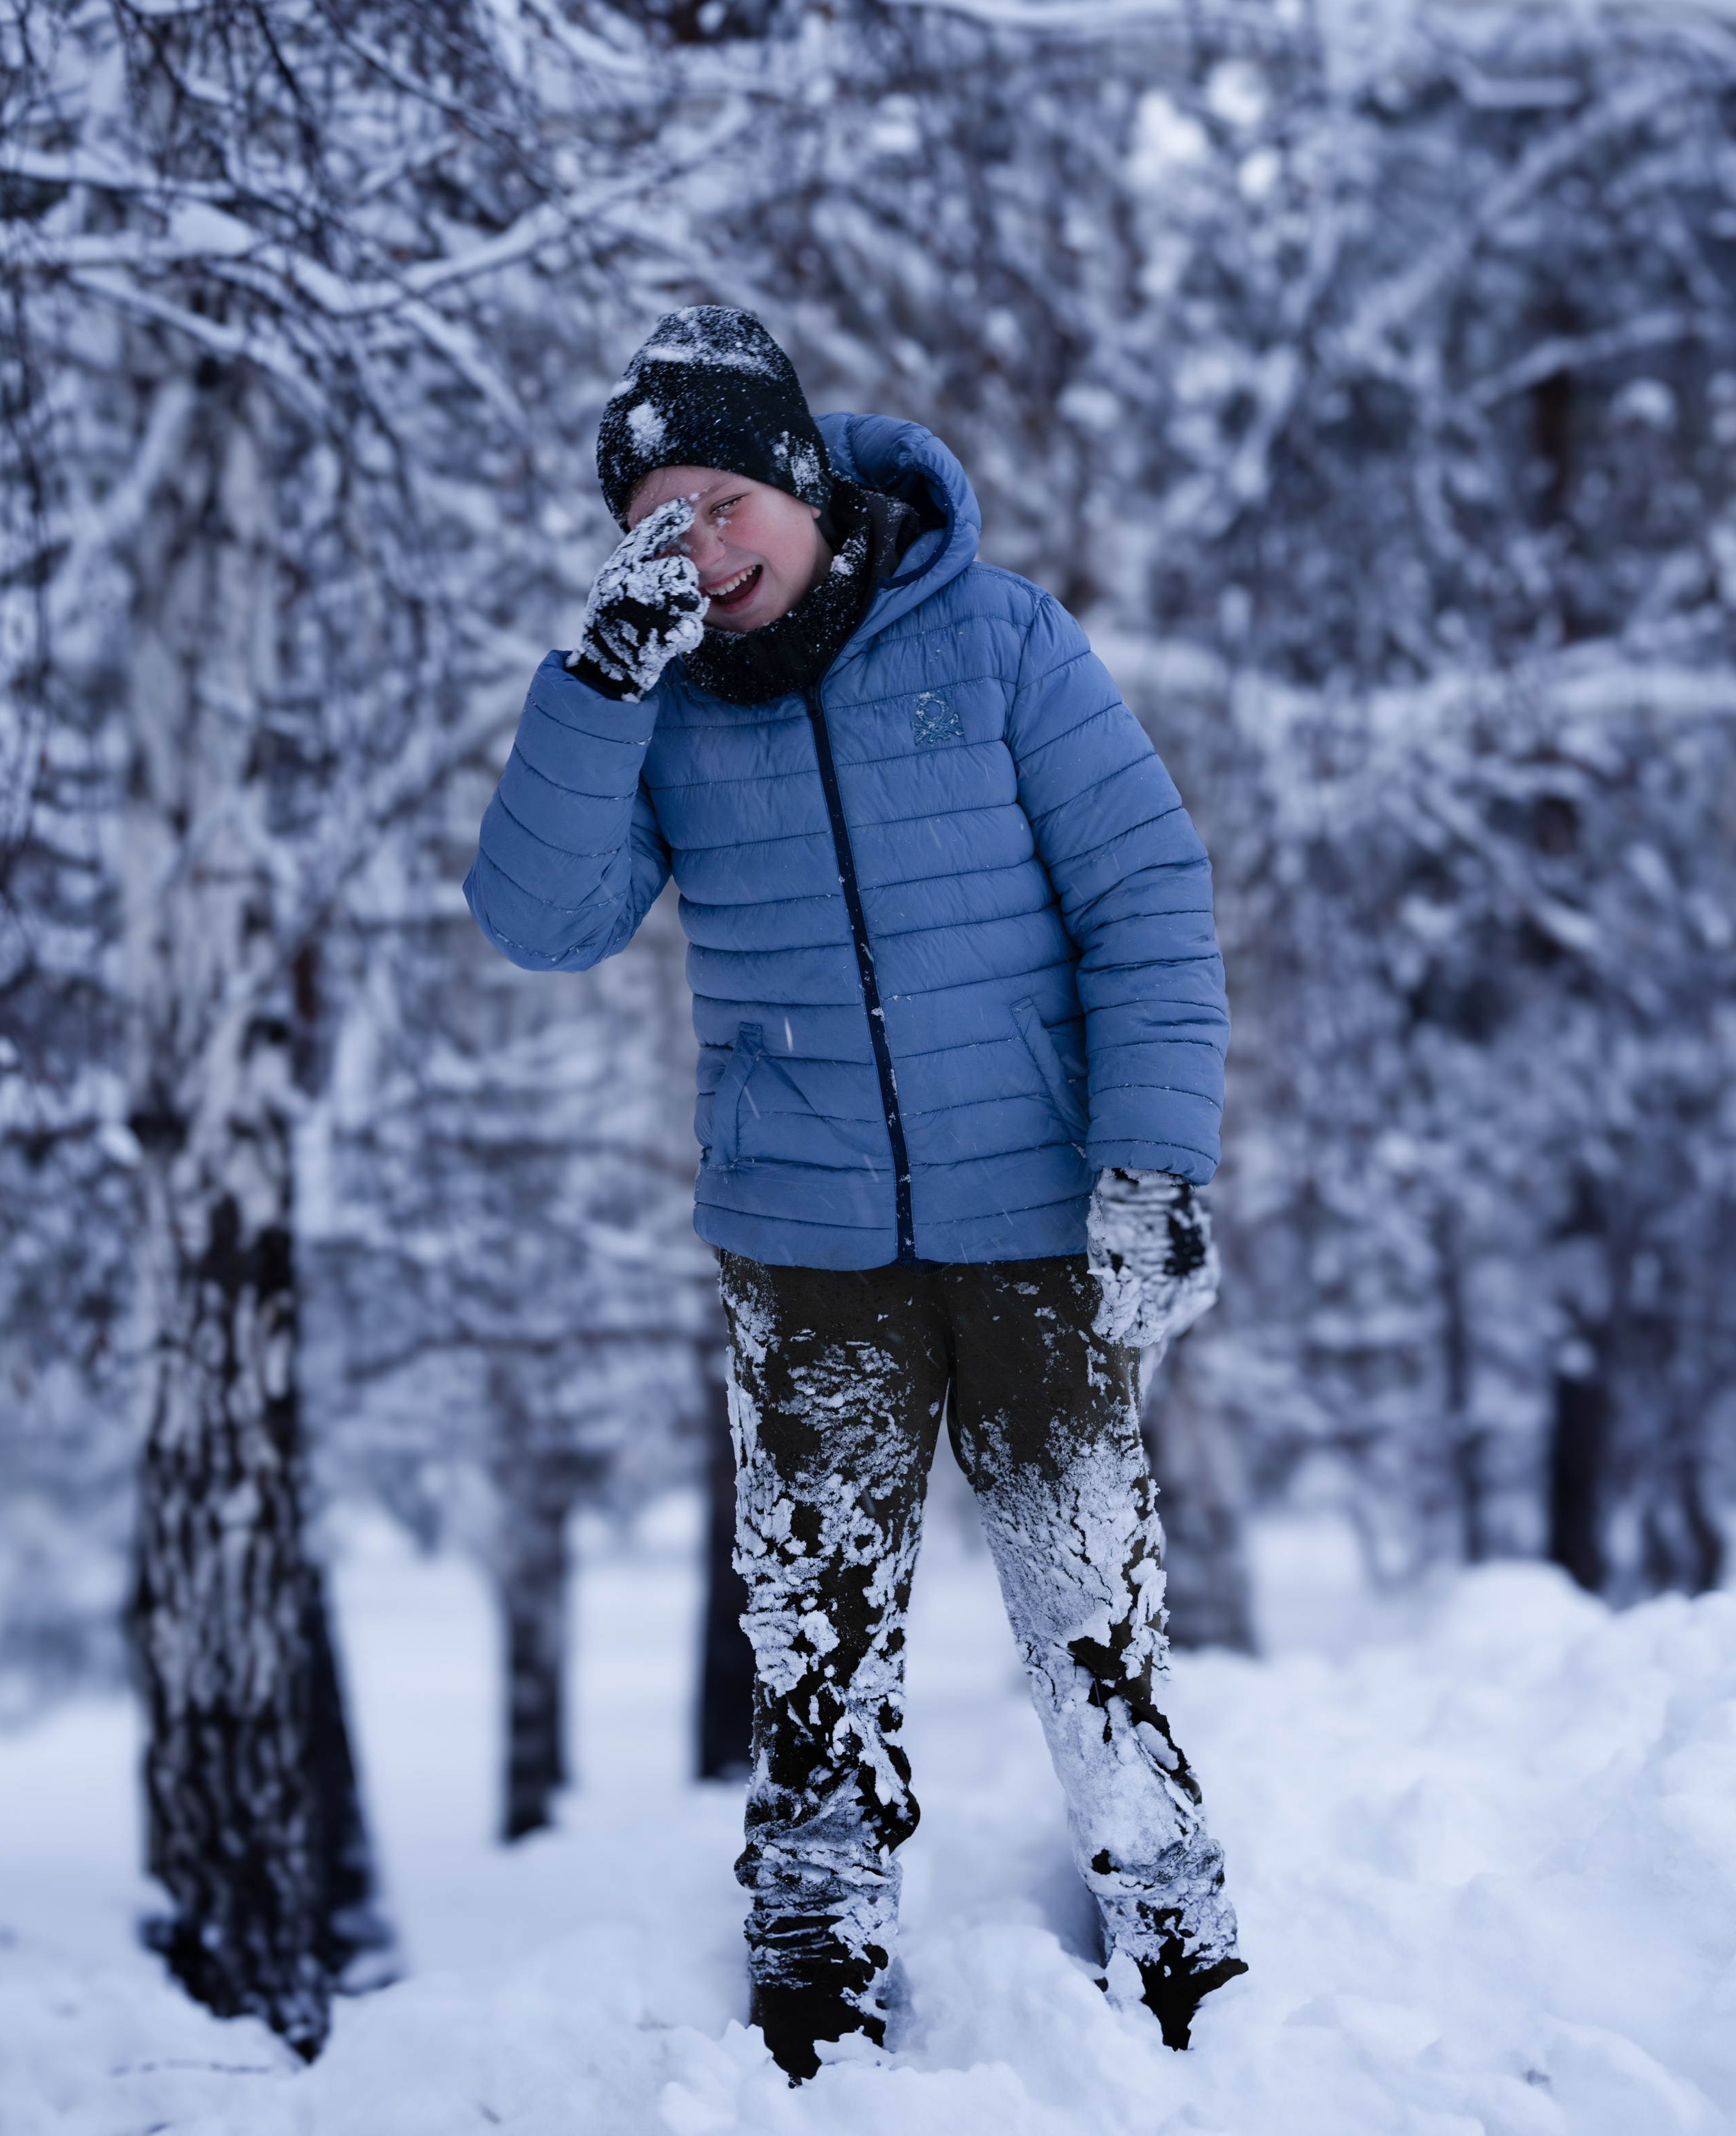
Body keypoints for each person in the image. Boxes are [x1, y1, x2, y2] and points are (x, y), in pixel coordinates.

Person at [465, 306, 1245, 2083]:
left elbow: (1145, 896)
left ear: (806, 485)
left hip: (1038, 1223)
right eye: (655, 522)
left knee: (1087, 1600)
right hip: (807, 1240)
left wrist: (1154, 1159)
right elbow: (538, 922)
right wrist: (595, 691)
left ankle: (1172, 1915)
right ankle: (816, 1954)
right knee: (812, 1628)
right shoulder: (659, 707)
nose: (698, 549)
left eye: (723, 500)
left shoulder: (996, 637)